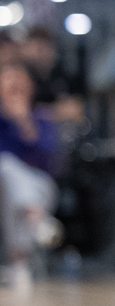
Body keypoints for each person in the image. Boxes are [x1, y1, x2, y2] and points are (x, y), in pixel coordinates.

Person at [0, 59, 62, 285]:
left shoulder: (43, 119)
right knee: (6, 170)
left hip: (40, 186)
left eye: (20, 79)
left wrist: (24, 122)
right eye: (8, 79)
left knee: (12, 178)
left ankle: (18, 263)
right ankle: (38, 220)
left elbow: (46, 163)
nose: (14, 84)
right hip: (6, 190)